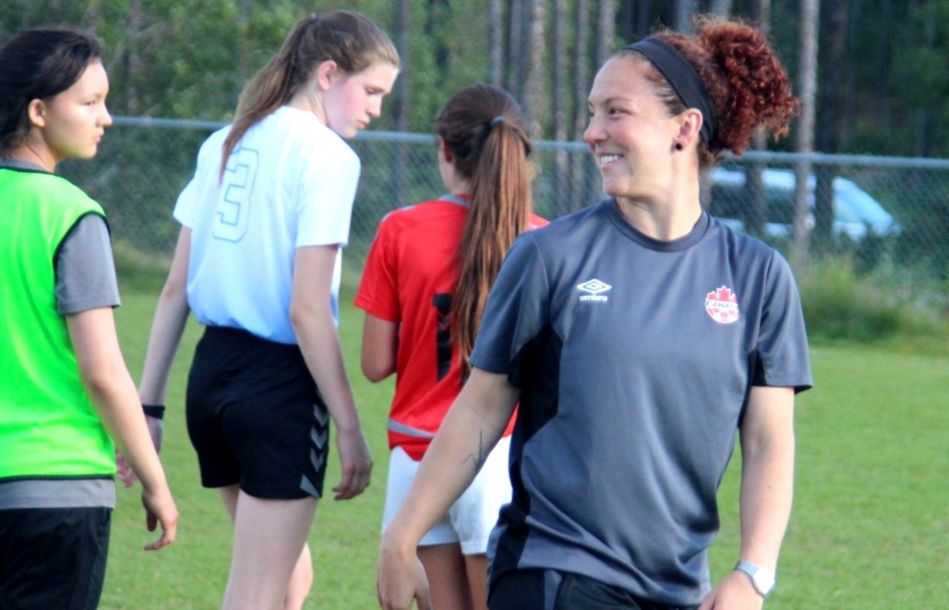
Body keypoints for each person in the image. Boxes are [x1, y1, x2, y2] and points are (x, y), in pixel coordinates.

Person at [377, 16, 811, 610]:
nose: (590, 132)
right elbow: (479, 407)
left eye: (614, 111)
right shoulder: (550, 256)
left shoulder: (758, 278)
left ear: (684, 128)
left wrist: (753, 574)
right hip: (553, 571)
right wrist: (402, 537)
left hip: (679, 589)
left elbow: (768, 442)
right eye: (590, 112)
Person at [134, 10, 397, 610]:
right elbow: (308, 310)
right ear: (329, 74)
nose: (376, 108)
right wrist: (351, 431)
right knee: (254, 593)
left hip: (210, 380)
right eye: (372, 91)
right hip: (278, 389)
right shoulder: (329, 157)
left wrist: (149, 405)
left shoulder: (223, 140)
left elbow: (176, 288)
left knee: (288, 578)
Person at [0, 27, 179, 610]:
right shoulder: (72, 215)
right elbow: (101, 371)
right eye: (90, 102)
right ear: (38, 110)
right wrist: (155, 479)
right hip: (53, 492)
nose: (106, 118)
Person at [356, 84, 547, 610]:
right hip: (499, 456)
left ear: (445, 149)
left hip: (418, 459)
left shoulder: (400, 230)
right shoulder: (545, 241)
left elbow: (374, 364)